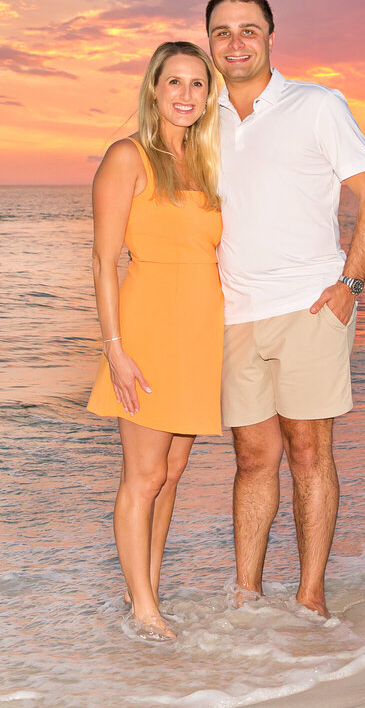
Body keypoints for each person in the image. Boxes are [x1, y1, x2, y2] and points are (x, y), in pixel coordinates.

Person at [205, 0, 365, 618]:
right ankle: (246, 595)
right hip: (235, 314)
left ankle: (310, 595)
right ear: (210, 42)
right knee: (253, 458)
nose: (236, 43)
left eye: (248, 30)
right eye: (223, 32)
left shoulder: (317, 105)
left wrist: (352, 284)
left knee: (310, 452)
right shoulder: (204, 120)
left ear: (270, 37)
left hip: (312, 308)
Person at [86, 40, 225, 641]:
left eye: (198, 84)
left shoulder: (206, 164)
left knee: (172, 470)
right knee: (141, 476)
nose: (187, 95)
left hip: (200, 331)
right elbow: (102, 259)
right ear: (153, 89)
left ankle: (145, 587)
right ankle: (143, 611)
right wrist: (114, 347)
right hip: (146, 328)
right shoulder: (127, 157)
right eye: (176, 83)